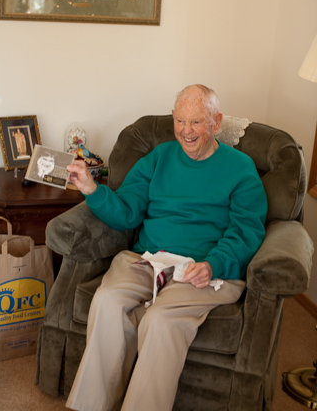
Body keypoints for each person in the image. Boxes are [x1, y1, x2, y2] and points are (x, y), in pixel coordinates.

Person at [65, 84, 268, 411]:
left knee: (160, 321)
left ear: (216, 123)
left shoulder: (240, 168)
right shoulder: (158, 158)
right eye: (181, 121)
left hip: (204, 270)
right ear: (173, 118)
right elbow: (128, 210)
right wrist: (92, 189)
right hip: (149, 259)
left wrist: (214, 263)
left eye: (197, 123)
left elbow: (247, 230)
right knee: (106, 300)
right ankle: (90, 406)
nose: (186, 132)